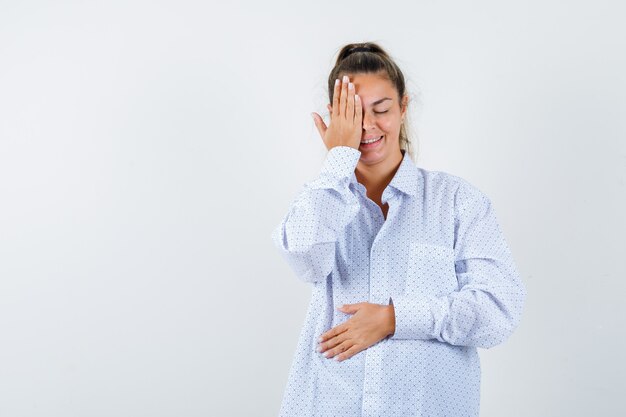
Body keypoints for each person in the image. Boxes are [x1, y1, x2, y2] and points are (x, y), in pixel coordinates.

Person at [270, 42, 526, 417]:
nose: (368, 126)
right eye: (354, 113)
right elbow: (305, 261)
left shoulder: (457, 201)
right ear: (335, 117)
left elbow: (498, 311)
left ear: (403, 107)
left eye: (382, 109)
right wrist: (338, 159)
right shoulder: (321, 200)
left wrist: (395, 319)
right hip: (331, 402)